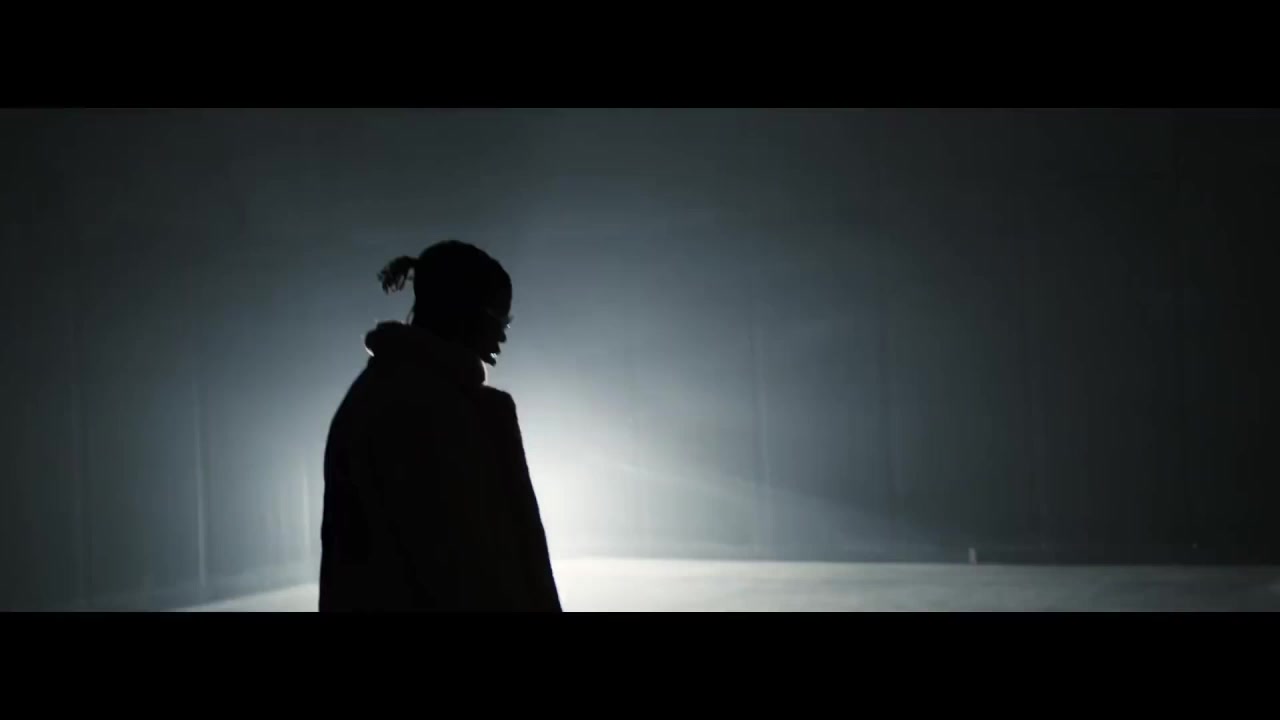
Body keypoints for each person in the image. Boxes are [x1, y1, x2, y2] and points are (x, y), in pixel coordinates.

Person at [319, 240, 561, 611]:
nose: (503, 335)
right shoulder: (436, 413)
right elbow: (466, 568)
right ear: (461, 311)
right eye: (498, 318)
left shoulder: (373, 397)